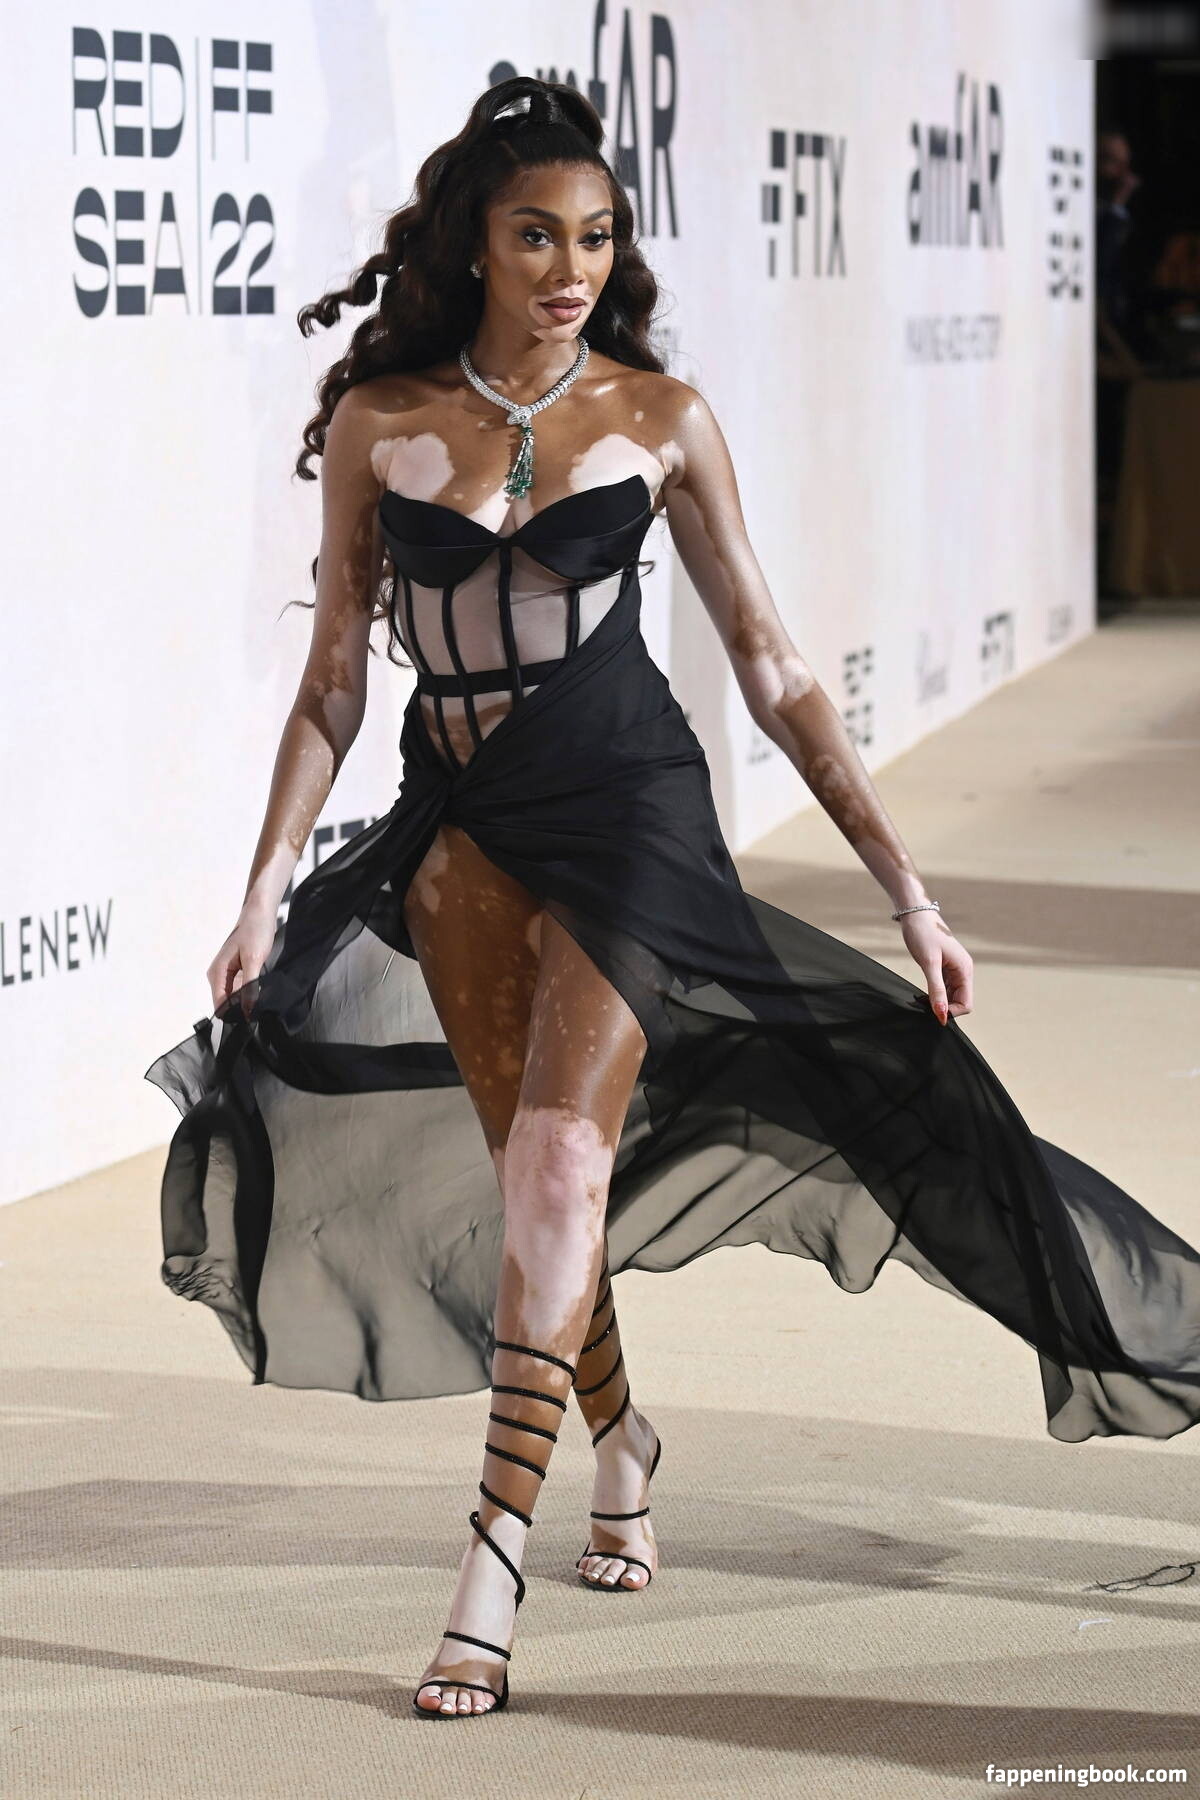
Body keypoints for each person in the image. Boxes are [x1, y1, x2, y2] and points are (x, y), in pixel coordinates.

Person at [146, 77, 1200, 1721]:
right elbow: (334, 683)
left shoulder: (660, 418)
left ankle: (489, 1566)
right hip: (460, 831)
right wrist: (265, 882)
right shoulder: (381, 420)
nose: (572, 267)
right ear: (474, 246)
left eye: (597, 236)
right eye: (536, 236)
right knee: (536, 1187)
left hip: (629, 808)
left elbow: (773, 669)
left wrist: (910, 894)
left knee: (566, 1161)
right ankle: (622, 1436)